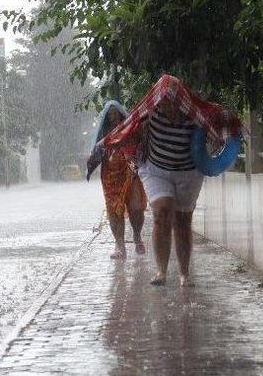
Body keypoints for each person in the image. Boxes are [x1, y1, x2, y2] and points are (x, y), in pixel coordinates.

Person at [88, 75, 242, 287]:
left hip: (188, 172)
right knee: (162, 212)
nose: (168, 106)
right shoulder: (150, 113)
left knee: (182, 221)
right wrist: (108, 144)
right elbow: (128, 130)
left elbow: (220, 122)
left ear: (181, 102)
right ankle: (161, 271)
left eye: (172, 102)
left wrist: (228, 130)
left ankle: (184, 274)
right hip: (156, 170)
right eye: (164, 102)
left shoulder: (194, 116)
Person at [87, 101, 147, 259]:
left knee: (136, 207)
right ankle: (119, 245)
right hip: (110, 176)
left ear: (121, 113)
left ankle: (137, 236)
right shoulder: (103, 133)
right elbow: (96, 151)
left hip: (130, 170)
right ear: (106, 117)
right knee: (114, 211)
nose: (113, 117)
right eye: (110, 114)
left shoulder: (130, 127)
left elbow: (141, 144)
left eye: (115, 113)